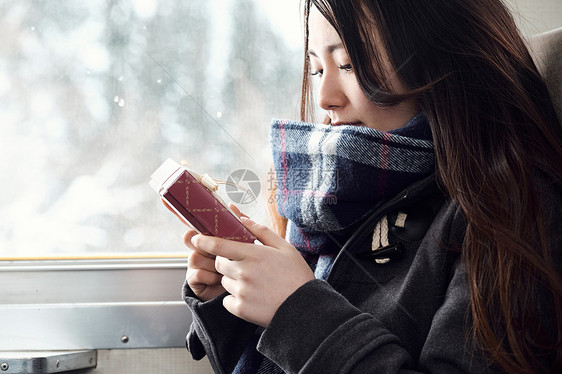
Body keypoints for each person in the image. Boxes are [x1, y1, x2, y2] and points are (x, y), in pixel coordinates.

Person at [180, 0, 562, 373]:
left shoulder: (512, 208)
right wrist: (229, 299)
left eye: (348, 64)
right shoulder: (325, 195)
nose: (325, 98)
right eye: (315, 70)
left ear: (439, 59)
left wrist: (296, 310)